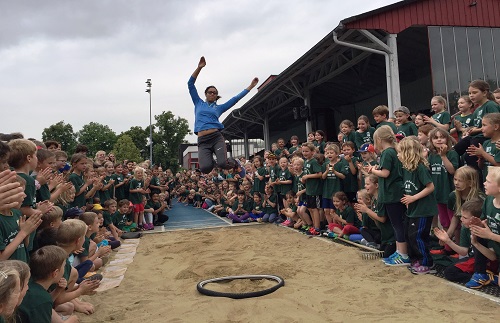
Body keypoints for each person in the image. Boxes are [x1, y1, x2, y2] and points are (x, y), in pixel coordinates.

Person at [189, 56, 258, 174]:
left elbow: (235, 99)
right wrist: (199, 68)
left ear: (216, 96)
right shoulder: (198, 103)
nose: (212, 94)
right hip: (202, 140)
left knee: (223, 163)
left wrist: (250, 87)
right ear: (205, 94)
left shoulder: (219, 108)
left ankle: (235, 163)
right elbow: (190, 84)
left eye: (215, 93)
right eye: (210, 92)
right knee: (205, 169)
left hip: (215, 137)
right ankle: (214, 162)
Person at [367, 125, 408, 266]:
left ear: (379, 139)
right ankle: (399, 251)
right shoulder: (393, 151)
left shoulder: (387, 152)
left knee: (397, 225)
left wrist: (373, 170)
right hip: (394, 192)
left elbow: (385, 173)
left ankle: (403, 254)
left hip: (392, 194)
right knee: (397, 224)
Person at [398, 137, 438, 274]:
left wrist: (413, 198)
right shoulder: (407, 168)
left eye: (400, 152)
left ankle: (426, 262)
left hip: (423, 209)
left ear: (408, 153)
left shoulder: (420, 167)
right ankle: (416, 259)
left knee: (418, 236)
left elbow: (430, 187)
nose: (398, 155)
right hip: (413, 209)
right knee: (410, 235)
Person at [18, 245, 80, 323]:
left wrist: (58, 290)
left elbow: (44, 301)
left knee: (68, 308)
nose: (64, 269)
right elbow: (41, 303)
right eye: (64, 266)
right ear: (55, 273)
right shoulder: (42, 299)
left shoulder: (31, 283)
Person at [466, 166, 500, 289]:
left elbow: (490, 234)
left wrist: (490, 235)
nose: (484, 183)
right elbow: (485, 221)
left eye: (489, 182)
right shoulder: (489, 200)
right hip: (495, 246)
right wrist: (479, 224)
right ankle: (480, 273)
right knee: (478, 232)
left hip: (495, 239)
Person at [454, 80, 500, 168]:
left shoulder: (490, 105)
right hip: (475, 136)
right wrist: (469, 129)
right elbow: (476, 125)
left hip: (483, 137)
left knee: (470, 156)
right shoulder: (477, 110)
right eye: (469, 93)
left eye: (474, 92)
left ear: (484, 93)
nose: (471, 95)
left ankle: (476, 178)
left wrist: (477, 130)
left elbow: (496, 122)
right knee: (455, 150)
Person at [354, 174, 396, 257]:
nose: (365, 186)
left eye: (368, 184)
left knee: (385, 255)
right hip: (384, 236)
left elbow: (382, 219)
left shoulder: (381, 198)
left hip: (391, 236)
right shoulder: (374, 199)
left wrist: (366, 210)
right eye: (365, 184)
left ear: (376, 185)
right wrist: (366, 212)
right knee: (381, 253)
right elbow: (377, 221)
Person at [427, 128, 459, 233]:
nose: (439, 140)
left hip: (449, 192)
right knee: (444, 221)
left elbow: (452, 171)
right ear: (431, 141)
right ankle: (447, 247)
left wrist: (443, 156)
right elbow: (428, 173)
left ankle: (457, 245)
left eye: (442, 137)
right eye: (435, 138)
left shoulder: (452, 153)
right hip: (438, 193)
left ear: (447, 139)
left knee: (454, 221)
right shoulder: (431, 155)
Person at [466, 112, 500, 183]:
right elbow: (481, 167)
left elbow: (498, 164)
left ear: (496, 127)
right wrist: (481, 158)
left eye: (484, 125)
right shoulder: (486, 143)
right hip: (487, 182)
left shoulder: (498, 144)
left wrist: (483, 153)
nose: (482, 129)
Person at [300, 143, 323, 235]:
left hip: (315, 189)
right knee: (309, 208)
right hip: (309, 189)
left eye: (307, 151)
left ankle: (317, 227)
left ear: (312, 152)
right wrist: (304, 179)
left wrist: (307, 176)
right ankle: (313, 226)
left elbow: (319, 174)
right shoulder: (306, 162)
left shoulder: (314, 161)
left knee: (314, 209)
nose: (305, 153)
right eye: (303, 151)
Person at [321, 144, 346, 227]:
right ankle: (330, 226)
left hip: (336, 190)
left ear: (337, 154)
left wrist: (335, 171)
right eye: (328, 153)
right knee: (326, 210)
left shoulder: (340, 163)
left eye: (331, 153)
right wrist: (327, 171)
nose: (329, 155)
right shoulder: (326, 164)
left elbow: (343, 176)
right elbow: (322, 177)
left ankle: (336, 227)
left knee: (333, 211)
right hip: (326, 191)